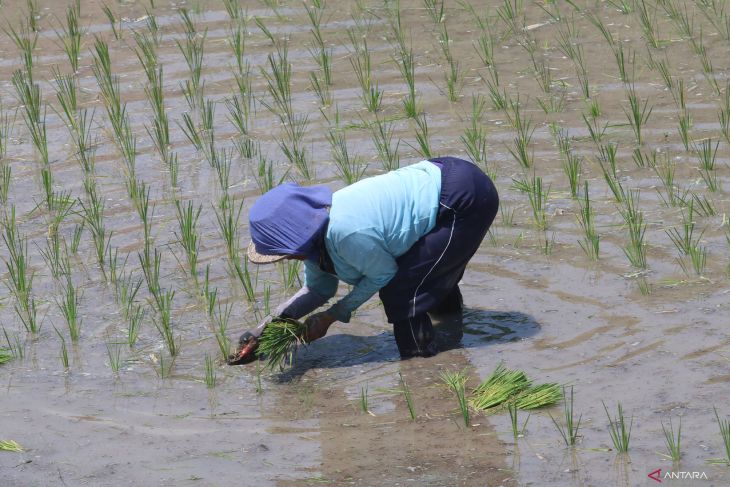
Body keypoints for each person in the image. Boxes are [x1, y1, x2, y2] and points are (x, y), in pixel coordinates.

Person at [228, 156, 499, 364]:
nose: (285, 258)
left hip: (462, 199)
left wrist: (331, 317)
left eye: (282, 252)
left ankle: (420, 361)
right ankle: (453, 327)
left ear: (295, 240)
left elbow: (383, 275)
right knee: (426, 272)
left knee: (403, 289)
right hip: (444, 182)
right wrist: (262, 330)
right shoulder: (315, 238)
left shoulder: (344, 232)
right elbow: (317, 290)